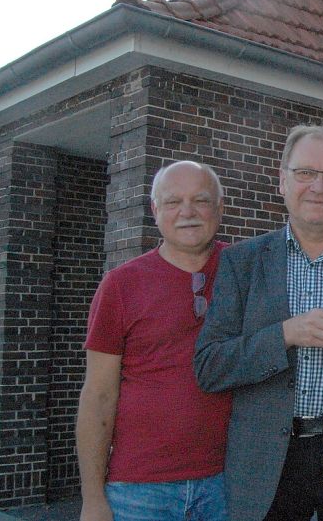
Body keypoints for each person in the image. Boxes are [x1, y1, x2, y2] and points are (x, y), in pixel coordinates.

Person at [193, 126, 323, 521]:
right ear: (282, 181)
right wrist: (284, 335)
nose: (319, 186)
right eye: (305, 173)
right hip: (270, 465)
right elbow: (209, 366)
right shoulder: (243, 263)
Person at [77, 161, 231, 521]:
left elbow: (313, 242)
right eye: (173, 201)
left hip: (225, 484)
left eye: (201, 200)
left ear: (220, 208)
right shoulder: (120, 285)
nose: (187, 212)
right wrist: (93, 499)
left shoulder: (244, 266)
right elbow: (98, 396)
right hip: (139, 491)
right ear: (155, 211)